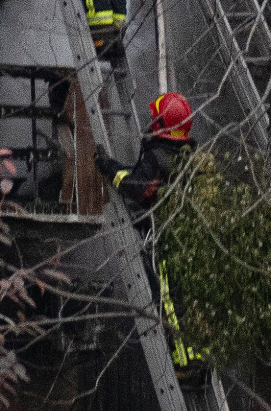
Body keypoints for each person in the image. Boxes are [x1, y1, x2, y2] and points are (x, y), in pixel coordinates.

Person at [96, 91, 203, 371]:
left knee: (170, 303)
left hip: (167, 240)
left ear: (162, 123)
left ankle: (184, 364)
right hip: (191, 239)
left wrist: (109, 168)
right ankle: (198, 360)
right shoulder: (191, 154)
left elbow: (138, 189)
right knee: (191, 300)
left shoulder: (159, 156)